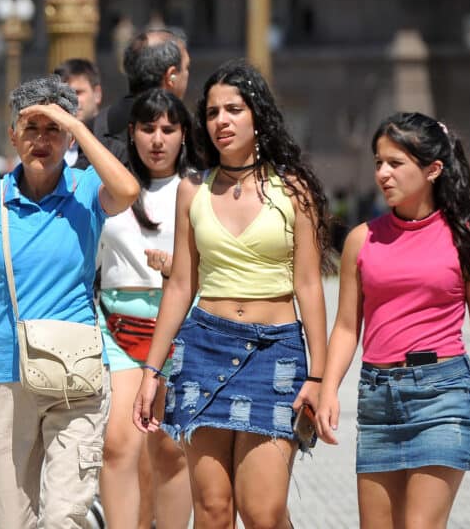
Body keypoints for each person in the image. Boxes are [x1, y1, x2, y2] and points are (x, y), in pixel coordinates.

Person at [133, 59, 330, 528]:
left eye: (234, 109)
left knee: (263, 512)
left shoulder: (294, 190)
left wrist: (319, 378)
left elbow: (309, 286)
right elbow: (182, 284)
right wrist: (151, 371)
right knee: (215, 511)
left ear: (257, 115)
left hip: (276, 353)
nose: (222, 121)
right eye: (213, 112)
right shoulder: (191, 190)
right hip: (202, 350)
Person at [317, 112, 470, 527]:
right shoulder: (361, 239)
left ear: (433, 169)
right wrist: (329, 390)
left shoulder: (468, 242)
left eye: (396, 163)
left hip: (443, 397)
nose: (383, 173)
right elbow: (347, 326)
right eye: (379, 162)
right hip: (378, 398)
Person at [0, 76, 139, 528]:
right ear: (13, 135)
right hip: (6, 373)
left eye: (53, 130)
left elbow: (127, 191)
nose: (41, 141)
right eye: (31, 128)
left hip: (76, 371)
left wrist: (78, 126)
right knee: (10, 518)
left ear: (69, 136)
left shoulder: (86, 189)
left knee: (64, 515)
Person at [96, 88, 192, 529]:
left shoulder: (199, 190)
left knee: (170, 449)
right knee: (118, 443)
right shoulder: (110, 189)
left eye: (168, 129)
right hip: (116, 325)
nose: (158, 139)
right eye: (148, 128)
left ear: (184, 135)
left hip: (178, 327)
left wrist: (180, 270)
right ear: (131, 132)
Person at [76, 28, 190, 169]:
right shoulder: (191, 132)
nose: (157, 140)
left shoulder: (94, 127)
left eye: (167, 130)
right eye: (186, 68)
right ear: (171, 76)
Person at [54, 58, 103, 167]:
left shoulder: (114, 142)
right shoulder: (49, 144)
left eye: (78, 92)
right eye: (64, 95)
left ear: (97, 94)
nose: (71, 100)